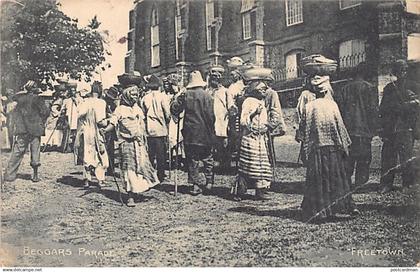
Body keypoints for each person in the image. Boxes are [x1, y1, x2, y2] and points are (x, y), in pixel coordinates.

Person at [298, 74, 359, 222]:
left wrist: (306, 149)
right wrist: (345, 146)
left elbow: (304, 130)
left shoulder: (309, 107)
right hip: (332, 148)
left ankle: (319, 210)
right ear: (326, 90)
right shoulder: (332, 105)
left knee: (318, 179)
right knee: (335, 177)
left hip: (316, 149)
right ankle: (339, 207)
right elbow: (340, 127)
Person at [103, 85, 160, 207]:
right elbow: (113, 123)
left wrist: (145, 138)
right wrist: (105, 131)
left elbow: (142, 124)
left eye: (136, 95)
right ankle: (130, 196)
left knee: (141, 166)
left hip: (139, 143)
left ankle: (137, 190)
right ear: (126, 95)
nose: (135, 97)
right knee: (129, 168)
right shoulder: (120, 110)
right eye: (132, 95)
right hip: (126, 143)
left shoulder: (137, 108)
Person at [171, 71, 215, 195]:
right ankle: (209, 181)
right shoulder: (208, 96)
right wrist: (212, 131)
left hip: (191, 132)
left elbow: (175, 109)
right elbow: (211, 116)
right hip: (205, 131)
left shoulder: (186, 95)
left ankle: (195, 185)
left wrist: (177, 99)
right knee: (208, 157)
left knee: (193, 159)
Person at [378, 59, 419, 193]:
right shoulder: (389, 88)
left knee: (406, 157)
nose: (402, 72)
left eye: (405, 69)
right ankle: (386, 184)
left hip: (406, 127)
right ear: (395, 72)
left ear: (407, 71)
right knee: (388, 157)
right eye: (400, 70)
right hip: (391, 127)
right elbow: (383, 108)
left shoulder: (414, 86)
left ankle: (408, 184)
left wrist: (411, 104)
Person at [335, 62, 379, 189]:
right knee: (364, 158)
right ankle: (361, 183)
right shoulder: (370, 88)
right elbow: (373, 110)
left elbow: (340, 110)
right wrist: (374, 129)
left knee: (348, 158)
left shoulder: (344, 88)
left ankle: (346, 183)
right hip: (364, 131)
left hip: (348, 131)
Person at [232, 76, 273, 201]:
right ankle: (240, 191)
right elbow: (244, 121)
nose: (264, 91)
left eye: (265, 89)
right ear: (255, 90)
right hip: (249, 138)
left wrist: (268, 126)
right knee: (248, 165)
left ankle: (260, 190)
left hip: (260, 138)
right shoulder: (248, 101)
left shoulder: (261, 102)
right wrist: (254, 113)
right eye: (261, 89)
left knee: (261, 165)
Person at [4, 80, 50, 182]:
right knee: (35, 152)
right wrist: (41, 121)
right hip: (35, 130)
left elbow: (14, 113)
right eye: (36, 87)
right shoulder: (38, 99)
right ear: (33, 89)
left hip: (22, 129)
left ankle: (9, 175)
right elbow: (45, 112)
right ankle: (35, 176)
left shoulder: (20, 99)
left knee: (17, 152)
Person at [74, 81, 109, 189]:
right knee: (100, 154)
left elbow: (79, 114)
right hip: (97, 132)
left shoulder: (85, 102)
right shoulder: (101, 103)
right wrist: (109, 122)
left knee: (87, 154)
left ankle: (86, 179)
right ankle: (100, 180)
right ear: (100, 91)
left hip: (86, 131)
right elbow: (100, 121)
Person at [141, 74, 171, 183]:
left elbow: (143, 114)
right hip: (160, 129)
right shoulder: (163, 97)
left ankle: (150, 174)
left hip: (149, 129)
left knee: (150, 154)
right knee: (161, 154)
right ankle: (160, 175)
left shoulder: (145, 98)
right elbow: (167, 114)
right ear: (159, 86)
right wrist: (167, 121)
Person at [207, 65, 230, 173]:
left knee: (223, 145)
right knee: (210, 145)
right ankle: (211, 166)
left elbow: (230, 106)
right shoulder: (207, 91)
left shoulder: (225, 91)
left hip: (222, 122)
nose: (215, 80)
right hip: (210, 122)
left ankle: (225, 166)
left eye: (217, 78)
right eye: (213, 78)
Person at [103, 86, 120, 175]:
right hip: (104, 126)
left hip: (111, 128)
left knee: (111, 149)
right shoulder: (102, 103)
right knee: (103, 148)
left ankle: (111, 169)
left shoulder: (113, 104)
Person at [61, 83, 82, 153]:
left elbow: (82, 107)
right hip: (69, 118)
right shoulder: (66, 100)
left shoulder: (80, 99)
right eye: (71, 91)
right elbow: (62, 109)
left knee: (76, 133)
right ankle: (67, 147)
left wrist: (76, 101)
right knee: (68, 134)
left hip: (77, 118)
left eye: (74, 91)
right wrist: (63, 112)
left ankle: (75, 147)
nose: (73, 92)